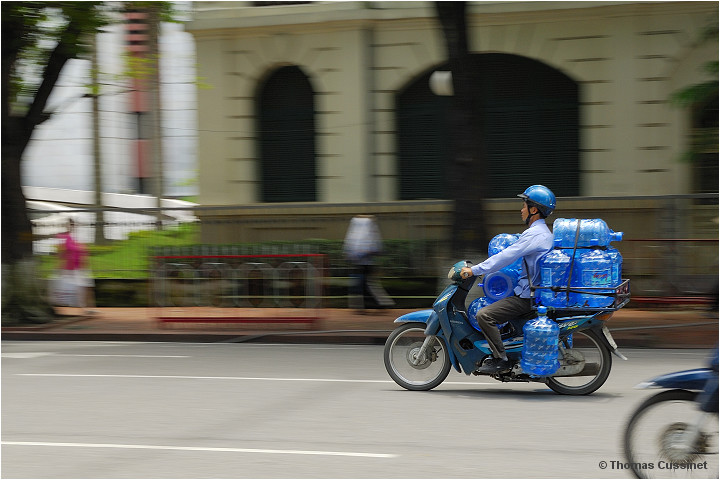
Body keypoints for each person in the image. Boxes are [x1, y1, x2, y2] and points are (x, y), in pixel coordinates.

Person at [460, 185, 556, 374]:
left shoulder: (534, 235)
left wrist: (474, 270)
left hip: (528, 298)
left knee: (484, 315)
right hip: (536, 294)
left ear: (534, 210)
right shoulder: (544, 233)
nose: (521, 210)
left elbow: (506, 256)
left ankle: (500, 359)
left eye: (524, 205)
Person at [343, 215, 395, 312]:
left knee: (365, 284)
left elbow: (350, 247)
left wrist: (358, 254)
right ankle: (376, 304)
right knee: (366, 284)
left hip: (363, 264)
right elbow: (377, 248)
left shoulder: (355, 233)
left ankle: (378, 304)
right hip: (365, 264)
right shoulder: (369, 233)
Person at [57, 217, 96, 315]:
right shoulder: (65, 237)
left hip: (81, 266)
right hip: (71, 267)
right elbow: (61, 252)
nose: (71, 227)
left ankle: (88, 308)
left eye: (73, 225)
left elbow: (84, 250)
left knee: (87, 287)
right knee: (76, 288)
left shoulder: (78, 236)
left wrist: (85, 261)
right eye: (70, 225)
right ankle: (83, 309)